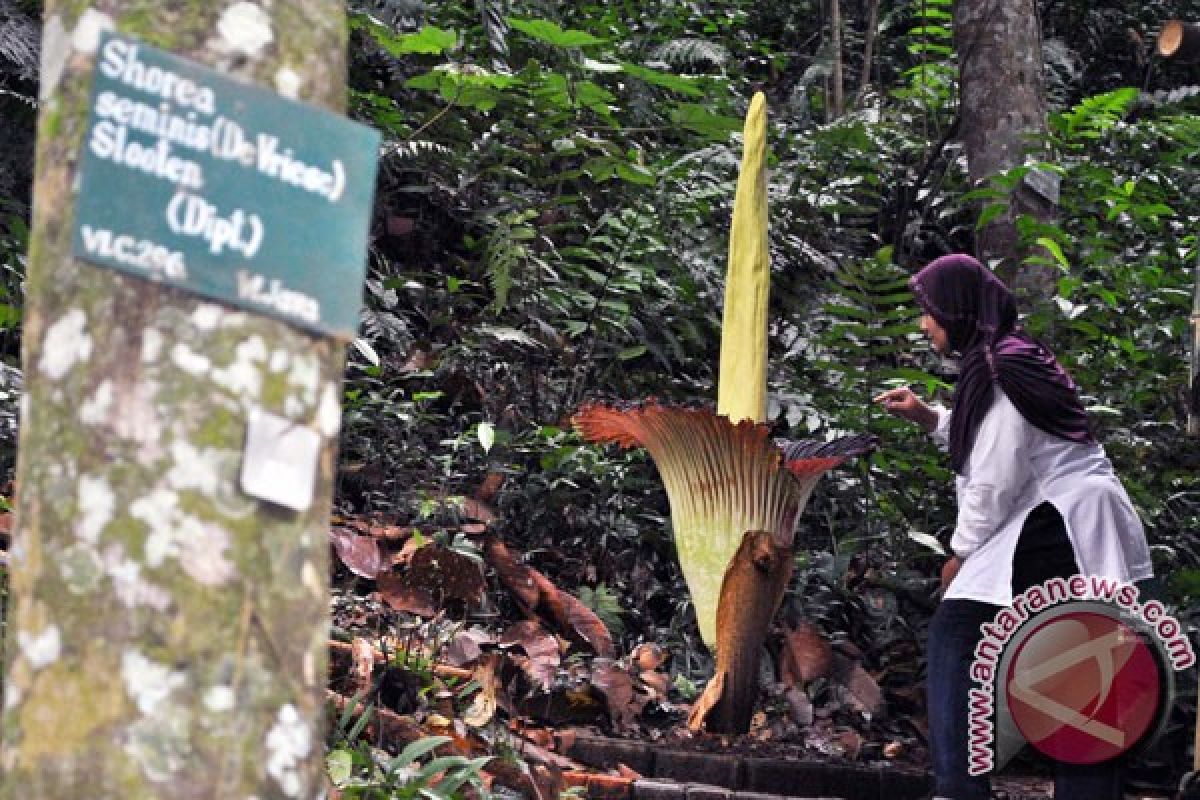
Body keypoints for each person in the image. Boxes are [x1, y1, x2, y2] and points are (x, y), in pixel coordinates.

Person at [874, 254, 1154, 800]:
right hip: (1072, 522)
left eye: (927, 311)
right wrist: (931, 418)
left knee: (959, 638)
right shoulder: (1012, 357)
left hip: (1058, 525)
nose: (922, 323)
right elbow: (1005, 438)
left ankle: (959, 789)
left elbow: (997, 478)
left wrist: (960, 553)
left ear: (955, 309)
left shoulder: (1000, 368)